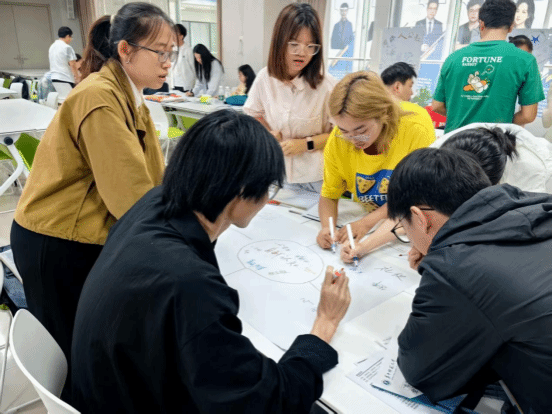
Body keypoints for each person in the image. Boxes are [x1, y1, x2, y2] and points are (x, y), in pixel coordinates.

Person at [71, 110, 352, 413]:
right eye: (268, 188)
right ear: (241, 191)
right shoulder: (189, 283)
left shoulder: (154, 203)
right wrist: (324, 325)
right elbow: (268, 401)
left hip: (108, 389)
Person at [10, 3, 173, 385]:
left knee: (92, 344)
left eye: (173, 53)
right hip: (57, 239)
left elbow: (153, 176)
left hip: (80, 232)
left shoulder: (129, 94)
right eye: (160, 52)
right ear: (125, 50)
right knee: (72, 353)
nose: (168, 63)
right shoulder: (101, 97)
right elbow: (131, 199)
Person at [386, 147, 552, 413]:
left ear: (419, 217)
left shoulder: (454, 269)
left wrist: (438, 266)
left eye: (404, 229)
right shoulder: (538, 205)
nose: (409, 240)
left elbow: (419, 370)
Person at [341, 123, 552, 263]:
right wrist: (364, 246)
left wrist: (439, 251)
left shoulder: (532, 180)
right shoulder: (441, 153)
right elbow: (408, 207)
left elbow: (510, 243)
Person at [316, 71, 435, 249]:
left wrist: (366, 223)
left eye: (361, 130)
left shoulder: (415, 126)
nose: (353, 139)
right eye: (344, 131)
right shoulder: (338, 139)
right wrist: (327, 227)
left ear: (383, 113)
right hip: (371, 217)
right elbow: (329, 194)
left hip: (408, 223)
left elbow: (415, 196)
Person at [244, 3, 336, 192]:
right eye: (294, 44)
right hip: (276, 171)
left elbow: (341, 133)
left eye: (310, 46)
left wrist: (306, 144)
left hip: (315, 178)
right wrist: (268, 132)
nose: (302, 53)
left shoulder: (327, 85)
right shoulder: (265, 78)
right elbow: (253, 114)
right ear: (280, 42)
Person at [432, 0, 544, 133]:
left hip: (454, 140)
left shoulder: (453, 58)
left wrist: (462, 118)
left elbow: (437, 106)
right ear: (511, 26)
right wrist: (499, 124)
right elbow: (528, 115)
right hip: (493, 142)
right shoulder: (526, 60)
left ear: (481, 24)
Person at [329, 2, 355, 79]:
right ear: (340, 11)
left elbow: (350, 41)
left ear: (347, 11)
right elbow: (333, 41)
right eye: (342, 10)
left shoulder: (350, 25)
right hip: (337, 54)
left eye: (345, 10)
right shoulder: (336, 26)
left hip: (346, 55)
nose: (344, 12)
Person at [173, 23, 195, 93]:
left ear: (181, 36)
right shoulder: (172, 49)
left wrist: (194, 86)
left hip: (185, 85)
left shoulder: (188, 50)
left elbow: (194, 68)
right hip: (174, 83)